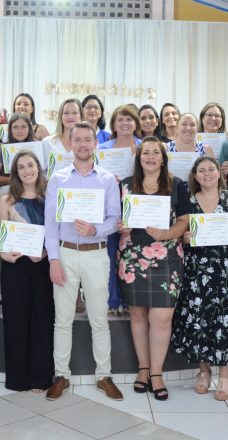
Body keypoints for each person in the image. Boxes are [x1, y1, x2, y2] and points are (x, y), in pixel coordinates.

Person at [44, 121, 123, 401]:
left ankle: (104, 375)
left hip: (96, 254)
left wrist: (95, 229)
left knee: (99, 320)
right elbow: (50, 224)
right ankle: (60, 375)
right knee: (62, 320)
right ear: (70, 143)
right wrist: (53, 259)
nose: (82, 145)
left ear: (95, 143)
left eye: (87, 140)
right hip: (65, 254)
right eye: (77, 140)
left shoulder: (107, 180)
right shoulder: (58, 179)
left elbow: (115, 220)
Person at [172, 156, 228, 401]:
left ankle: (225, 374)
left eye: (211, 169)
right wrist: (184, 237)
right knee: (200, 319)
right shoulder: (189, 201)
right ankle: (203, 371)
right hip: (197, 270)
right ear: (195, 176)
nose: (207, 174)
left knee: (227, 320)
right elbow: (179, 229)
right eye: (201, 170)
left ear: (219, 173)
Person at [117, 137, 190, 401]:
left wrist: (167, 233)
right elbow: (116, 218)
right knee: (137, 315)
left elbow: (184, 221)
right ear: (138, 157)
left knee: (161, 318)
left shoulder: (176, 185)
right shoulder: (125, 185)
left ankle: (157, 373)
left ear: (163, 157)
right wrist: (120, 226)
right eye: (145, 152)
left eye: (155, 153)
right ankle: (143, 369)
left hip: (167, 257)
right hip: (133, 258)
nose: (150, 157)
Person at [0, 150, 54, 392]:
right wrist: (3, 253)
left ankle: (41, 378)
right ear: (16, 173)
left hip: (42, 265)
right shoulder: (6, 201)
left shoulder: (51, 198)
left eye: (30, 165)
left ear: (38, 168)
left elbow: (57, 234)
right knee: (16, 321)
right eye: (21, 167)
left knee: (42, 321)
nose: (27, 170)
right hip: (15, 267)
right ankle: (17, 379)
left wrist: (42, 254)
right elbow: (3, 238)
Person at [97, 105, 142, 316]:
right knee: (110, 253)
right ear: (113, 124)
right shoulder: (103, 148)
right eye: (120, 119)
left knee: (132, 256)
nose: (124, 123)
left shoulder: (144, 147)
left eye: (129, 119)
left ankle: (131, 301)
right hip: (109, 207)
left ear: (136, 123)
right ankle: (112, 301)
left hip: (137, 209)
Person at [0, 112, 35, 188]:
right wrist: (15, 179)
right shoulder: (3, 148)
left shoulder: (37, 147)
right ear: (10, 129)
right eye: (15, 127)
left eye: (23, 127)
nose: (19, 130)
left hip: (33, 189)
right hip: (10, 189)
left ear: (29, 128)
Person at [42, 98, 82, 176]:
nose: (70, 116)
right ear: (61, 117)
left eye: (74, 113)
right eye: (66, 113)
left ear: (80, 117)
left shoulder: (87, 144)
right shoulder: (47, 142)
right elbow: (40, 172)